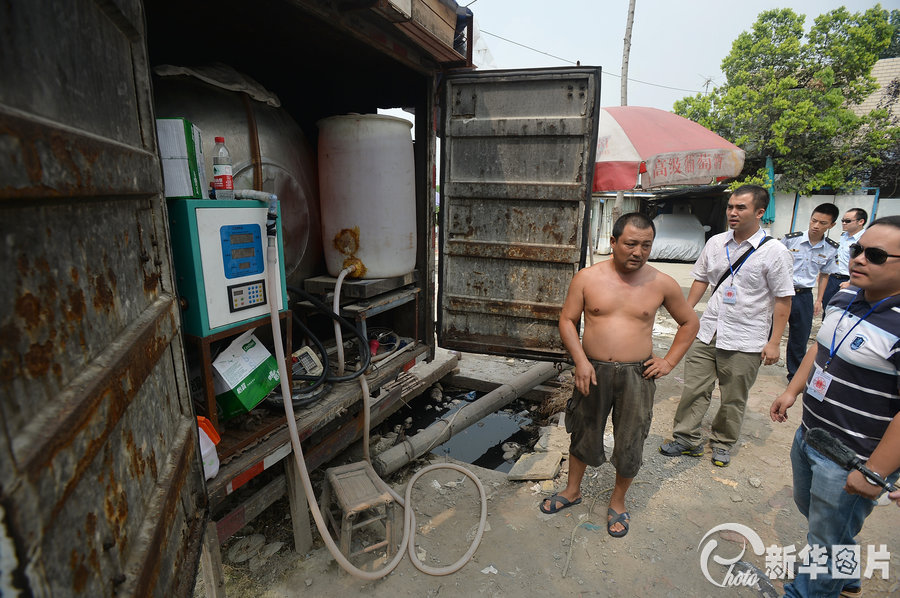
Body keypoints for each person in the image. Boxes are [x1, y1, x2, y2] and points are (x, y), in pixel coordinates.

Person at [541, 213, 699, 538]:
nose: (638, 252)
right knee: (583, 429)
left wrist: (668, 362)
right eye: (630, 244)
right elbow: (567, 321)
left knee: (631, 439)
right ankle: (572, 491)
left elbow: (690, 323)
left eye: (646, 245)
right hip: (592, 371)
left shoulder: (662, 283)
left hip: (637, 375)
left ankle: (618, 502)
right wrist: (581, 361)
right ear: (613, 242)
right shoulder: (587, 278)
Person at [770, 215, 900, 598]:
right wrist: (793, 391)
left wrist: (874, 473)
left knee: (825, 537)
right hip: (811, 434)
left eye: (874, 255)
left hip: (854, 456)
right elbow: (819, 348)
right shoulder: (843, 296)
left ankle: (810, 592)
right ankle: (846, 575)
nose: (858, 259)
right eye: (858, 250)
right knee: (818, 517)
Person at [659, 185, 794, 467]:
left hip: (747, 338)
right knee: (695, 388)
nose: (733, 212)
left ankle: (722, 442)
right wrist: (686, 314)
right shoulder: (716, 243)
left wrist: (774, 342)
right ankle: (686, 438)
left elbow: (783, 300)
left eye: (740, 208)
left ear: (759, 212)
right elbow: (701, 279)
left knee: (733, 397)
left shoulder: (776, 252)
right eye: (730, 207)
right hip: (708, 331)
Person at [780, 203, 840, 381]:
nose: (816, 226)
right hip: (782, 292)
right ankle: (754, 365)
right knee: (767, 330)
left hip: (804, 295)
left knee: (800, 337)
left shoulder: (830, 248)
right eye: (814, 220)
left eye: (822, 223)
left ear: (831, 225)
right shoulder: (791, 239)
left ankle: (795, 375)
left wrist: (819, 300)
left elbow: (824, 275)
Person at [821, 208, 867, 311]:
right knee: (828, 309)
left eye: (848, 221)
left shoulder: (865, 239)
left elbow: (864, 263)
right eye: (843, 221)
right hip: (833, 279)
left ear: (861, 222)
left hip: (851, 281)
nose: (844, 223)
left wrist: (851, 282)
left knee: (845, 311)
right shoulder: (844, 236)